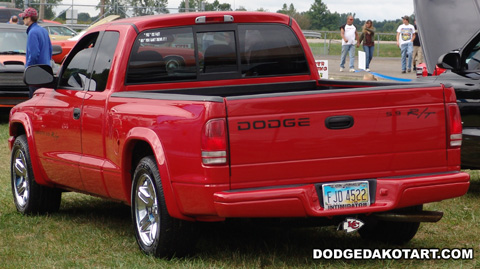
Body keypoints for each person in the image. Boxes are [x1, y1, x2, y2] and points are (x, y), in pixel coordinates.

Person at [19, 7, 52, 98]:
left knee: (34, 100)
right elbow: (50, 50)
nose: (23, 20)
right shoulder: (43, 31)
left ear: (29, 18)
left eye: (24, 18)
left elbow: (34, 55)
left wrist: (28, 69)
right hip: (45, 71)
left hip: (35, 73)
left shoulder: (32, 32)